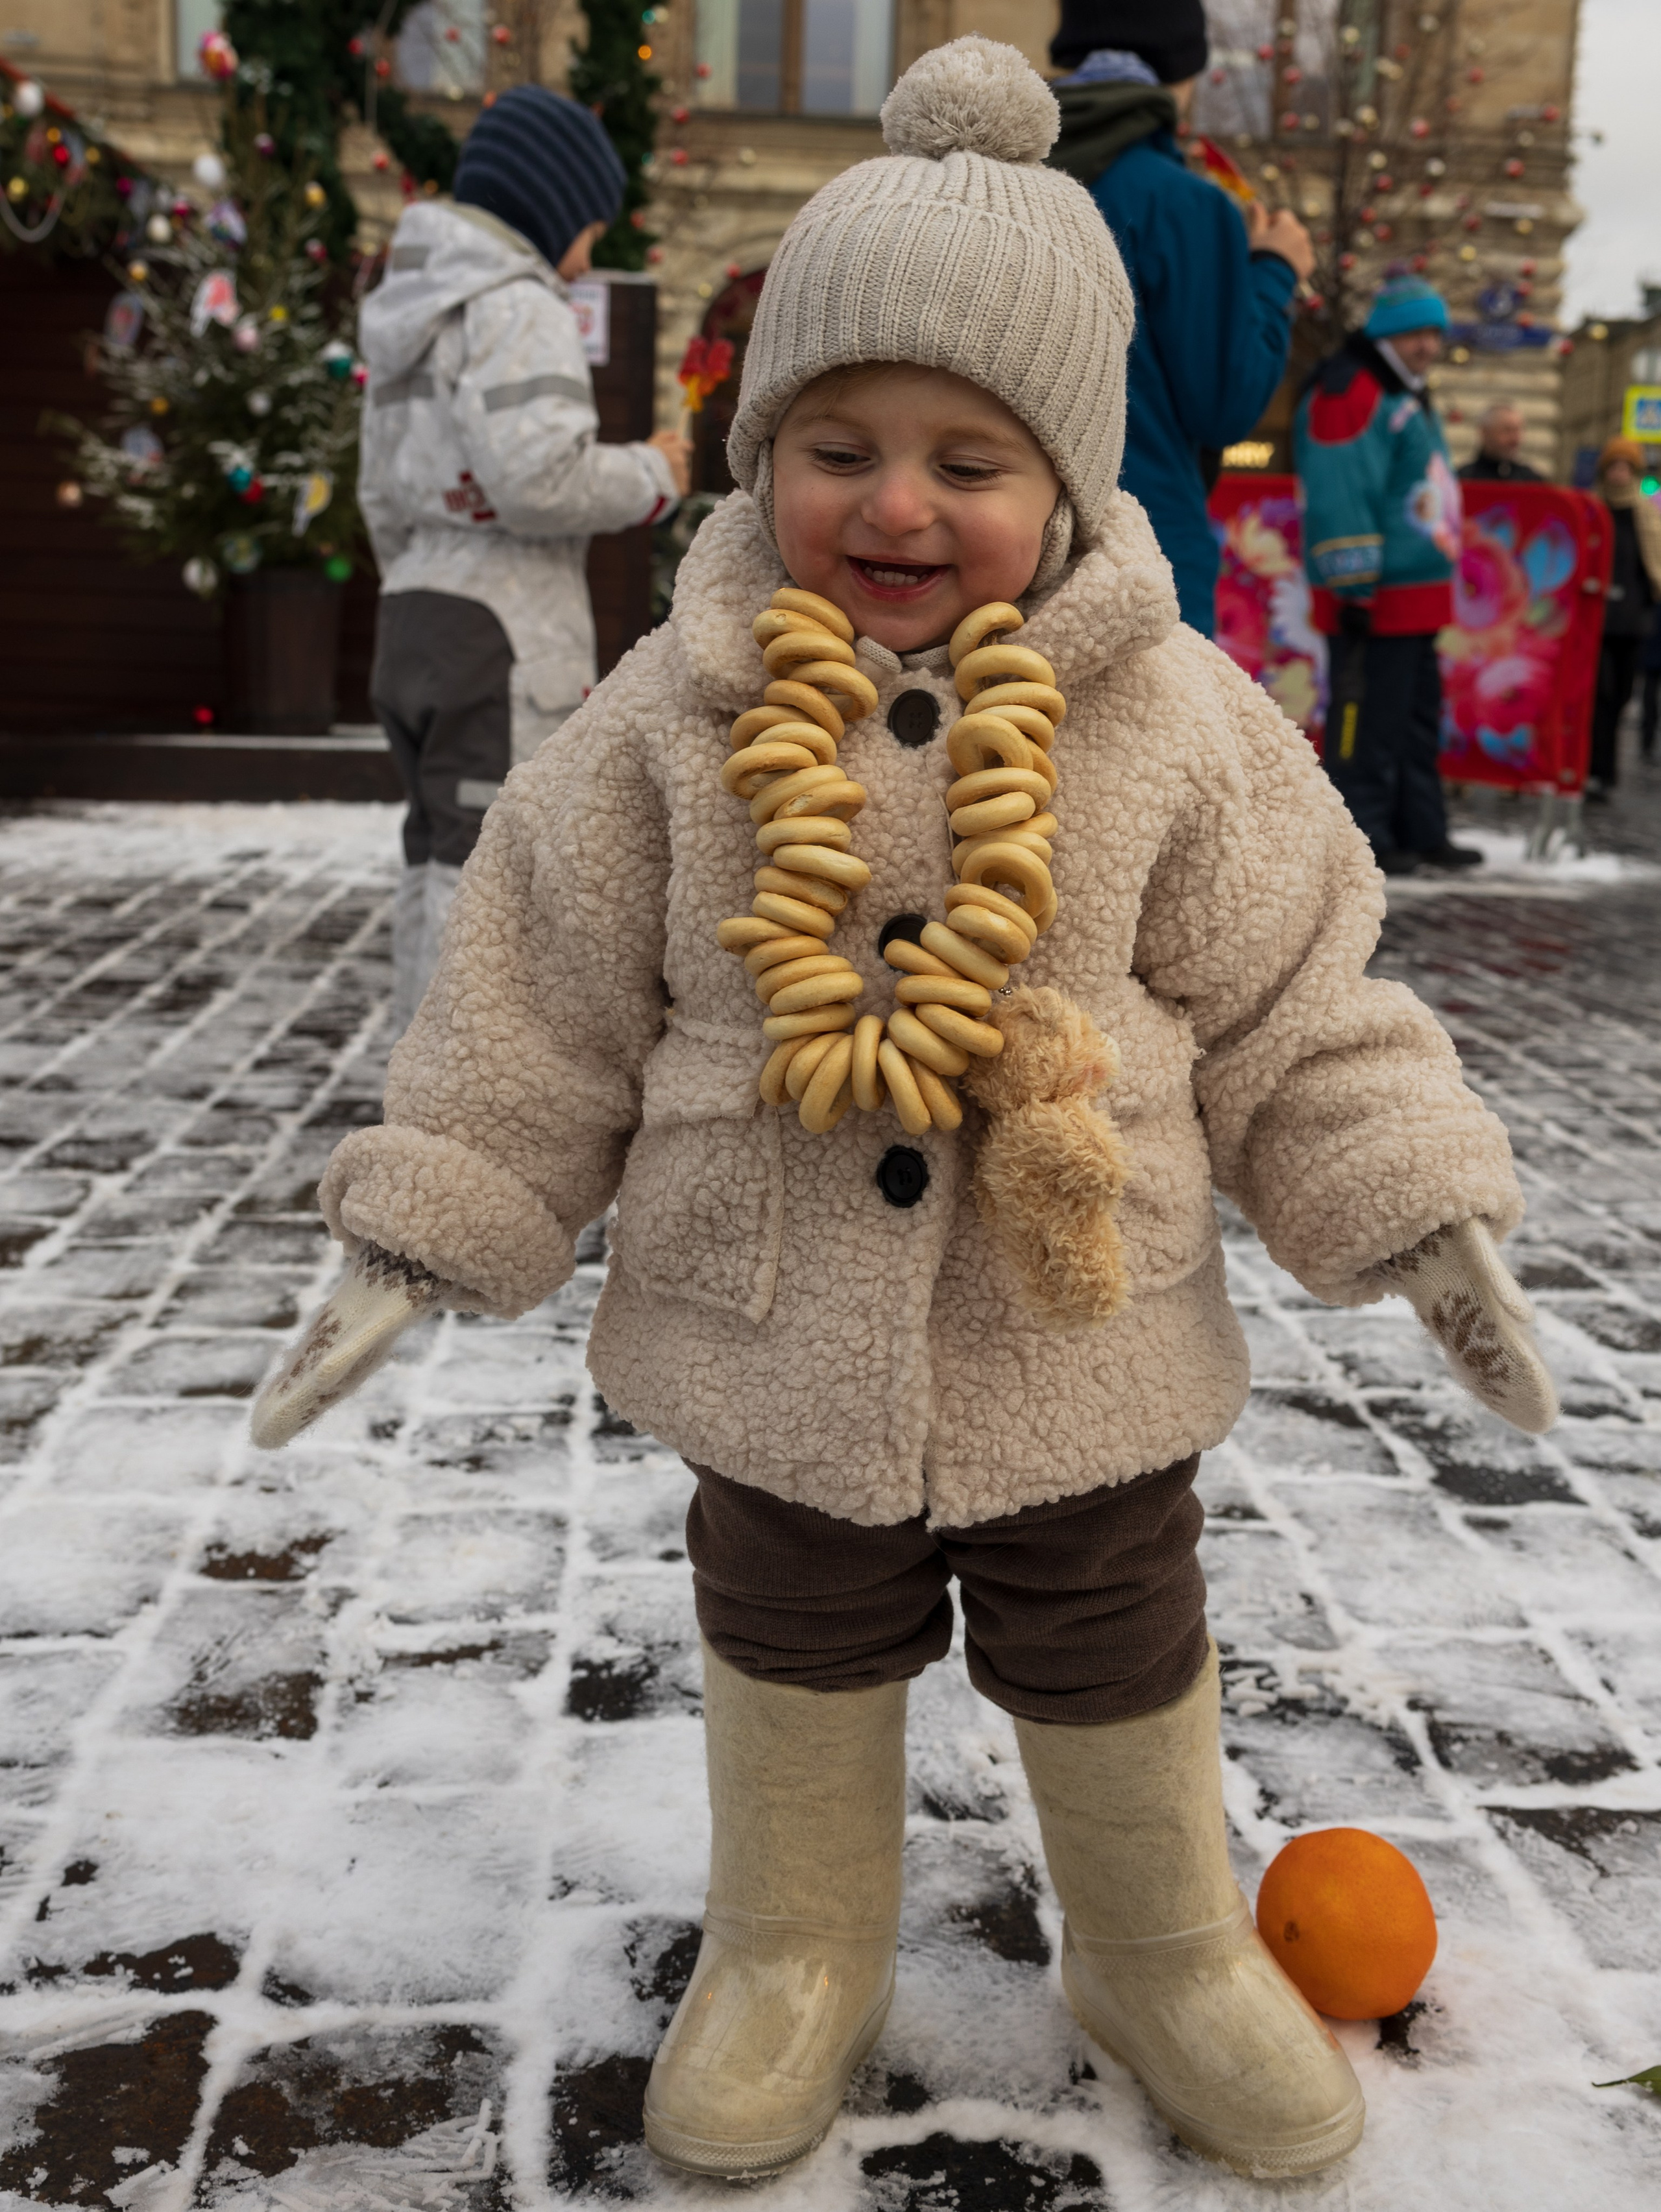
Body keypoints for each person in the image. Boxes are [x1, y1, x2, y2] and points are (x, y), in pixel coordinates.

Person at [252, 42, 1555, 2189]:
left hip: (1075, 1311)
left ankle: (1149, 1943)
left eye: (970, 456)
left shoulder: (1179, 720)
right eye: (840, 446)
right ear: (764, 458)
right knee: (790, 1601)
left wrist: (1418, 1210)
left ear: (1068, 479)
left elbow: (1298, 1004)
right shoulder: (672, 722)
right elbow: (539, 1001)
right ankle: (798, 1941)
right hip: (773, 1320)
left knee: (1114, 1605)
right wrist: (433, 1219)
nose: (897, 503)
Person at [358, 85, 691, 1028]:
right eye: (588, 230)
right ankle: (463, 1065)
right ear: (545, 208)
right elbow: (538, 481)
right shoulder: (519, 307)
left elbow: (376, 488)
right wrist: (651, 472)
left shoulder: (410, 313)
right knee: (493, 856)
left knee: (432, 849)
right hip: (499, 624)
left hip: (414, 602)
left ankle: (417, 1053)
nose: (587, 260)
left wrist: (414, 576)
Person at [1046, 0, 1315, 636]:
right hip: (1145, 545)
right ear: (1180, 74)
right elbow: (1224, 404)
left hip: (999, 542)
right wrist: (1273, 269)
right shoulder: (1186, 205)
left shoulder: (1002, 178)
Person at [1293, 275, 1480, 876]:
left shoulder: (1401, 390)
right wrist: (1353, 584)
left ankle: (1418, 828)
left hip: (1414, 594)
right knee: (1369, 723)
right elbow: (1341, 492)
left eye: (1434, 333)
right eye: (1414, 332)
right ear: (1384, 334)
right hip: (1376, 596)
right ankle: (1364, 836)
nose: (1427, 345)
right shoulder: (1351, 390)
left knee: (1415, 720)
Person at [1587, 437, 1661, 797]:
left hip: (1633, 621)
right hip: (1596, 619)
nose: (1619, 473)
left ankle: (1607, 770)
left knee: (1621, 696)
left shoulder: (1646, 511)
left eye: (1625, 467)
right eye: (1613, 466)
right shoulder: (1592, 507)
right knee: (1599, 695)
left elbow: (1653, 564)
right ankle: (1595, 771)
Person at [1457, 401, 1543, 483]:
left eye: (1517, 430)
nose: (1515, 439)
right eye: (1507, 430)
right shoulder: (1464, 479)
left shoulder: (1532, 480)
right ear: (1485, 432)